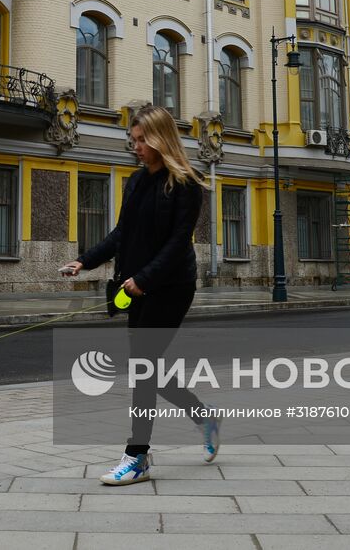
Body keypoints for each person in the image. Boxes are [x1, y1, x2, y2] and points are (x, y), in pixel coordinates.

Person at [60, 104, 216, 486]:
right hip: (137, 286)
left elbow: (178, 243)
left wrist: (144, 278)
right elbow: (121, 235)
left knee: (143, 370)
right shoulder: (135, 181)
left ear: (162, 138)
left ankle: (137, 456)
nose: (137, 147)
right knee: (148, 369)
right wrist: (84, 261)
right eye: (134, 140)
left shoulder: (187, 184)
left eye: (143, 139)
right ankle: (203, 417)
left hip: (171, 287)